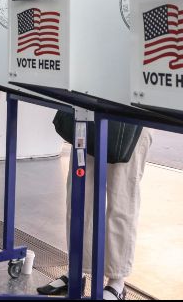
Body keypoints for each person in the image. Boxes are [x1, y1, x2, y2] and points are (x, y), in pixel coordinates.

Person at [36, 115, 153, 300]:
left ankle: (117, 282)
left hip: (131, 119)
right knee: (78, 196)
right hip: (88, 112)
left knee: (121, 199)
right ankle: (77, 271)